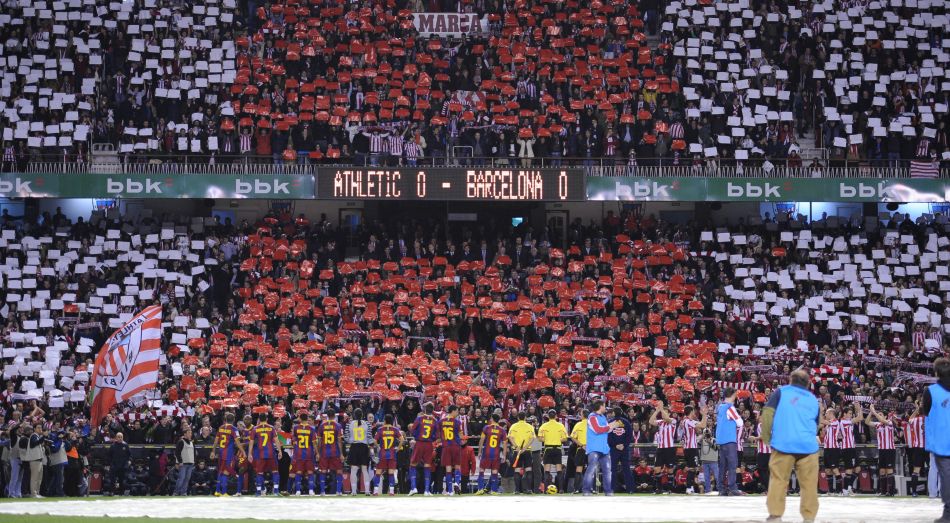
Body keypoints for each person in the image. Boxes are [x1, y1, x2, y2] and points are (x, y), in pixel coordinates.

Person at [761, 369, 820, 523]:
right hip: (809, 447)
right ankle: (809, 518)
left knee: (779, 480)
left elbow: (767, 413)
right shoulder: (814, 399)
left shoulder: (781, 392)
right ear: (808, 384)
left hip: (783, 445)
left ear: (790, 380)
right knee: (809, 485)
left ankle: (775, 515)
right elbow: (816, 424)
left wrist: (767, 438)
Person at [924, 357, 950, 522]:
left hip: (941, 443)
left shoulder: (930, 391)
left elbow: (926, 412)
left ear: (936, 372)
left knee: (946, 477)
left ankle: (948, 513)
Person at [582, 400, 622, 496]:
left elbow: (605, 430)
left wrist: (612, 426)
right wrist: (609, 427)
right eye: (604, 406)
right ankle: (586, 490)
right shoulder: (592, 417)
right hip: (594, 448)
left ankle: (608, 491)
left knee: (607, 471)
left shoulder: (603, 417)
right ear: (600, 406)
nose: (605, 408)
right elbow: (598, 430)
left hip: (604, 448)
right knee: (591, 469)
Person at [715, 387, 744, 496]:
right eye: (735, 394)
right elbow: (740, 423)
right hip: (729, 440)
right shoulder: (730, 408)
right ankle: (732, 488)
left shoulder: (720, 407)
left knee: (723, 465)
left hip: (721, 440)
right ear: (732, 395)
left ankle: (721, 489)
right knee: (732, 465)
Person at [408, 403, 438, 496]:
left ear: (424, 410)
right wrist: (431, 439)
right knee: (427, 465)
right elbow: (437, 435)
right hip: (429, 444)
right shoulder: (434, 420)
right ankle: (427, 490)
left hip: (420, 443)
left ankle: (413, 488)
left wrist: (418, 436)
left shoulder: (419, 418)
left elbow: (412, 430)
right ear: (432, 410)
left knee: (413, 464)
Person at [247, 415, 281, 496]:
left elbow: (251, 442)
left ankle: (258, 492)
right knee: (275, 472)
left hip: (260, 454)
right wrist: (280, 451)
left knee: (259, 473)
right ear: (267, 419)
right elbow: (276, 440)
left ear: (259, 419)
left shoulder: (255, 429)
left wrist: (249, 454)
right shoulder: (271, 428)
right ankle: (276, 491)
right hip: (271, 453)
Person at [212, 413, 244, 496]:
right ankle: (224, 492)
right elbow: (237, 442)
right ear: (234, 420)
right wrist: (243, 451)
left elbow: (216, 441)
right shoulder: (234, 429)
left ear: (225, 419)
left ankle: (217, 491)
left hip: (221, 452)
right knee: (226, 472)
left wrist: (213, 451)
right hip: (228, 454)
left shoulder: (221, 427)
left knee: (220, 471)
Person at [371, 414, 403, 496]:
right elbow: (402, 439)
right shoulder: (395, 429)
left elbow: (374, 440)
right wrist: (398, 448)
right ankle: (392, 491)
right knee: (391, 473)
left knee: (378, 472)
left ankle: (375, 491)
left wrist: (378, 446)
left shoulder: (380, 429)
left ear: (384, 420)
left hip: (382, 453)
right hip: (392, 454)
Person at [475, 413, 507, 495]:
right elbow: (504, 444)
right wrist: (504, 455)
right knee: (495, 472)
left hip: (486, 452)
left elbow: (481, 440)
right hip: (496, 453)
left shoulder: (486, 428)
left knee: (481, 470)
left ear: (492, 419)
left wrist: (479, 452)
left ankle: (480, 489)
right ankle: (494, 490)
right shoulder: (502, 430)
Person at [538, 409, 568, 492]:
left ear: (548, 416)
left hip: (548, 449)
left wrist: (548, 439)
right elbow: (565, 438)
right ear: (556, 416)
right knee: (559, 470)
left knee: (547, 470)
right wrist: (557, 439)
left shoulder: (544, 426)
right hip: (557, 449)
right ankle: (561, 489)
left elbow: (540, 438)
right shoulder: (561, 426)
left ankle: (546, 490)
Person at [437, 405, 465, 496]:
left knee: (448, 468)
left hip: (446, 447)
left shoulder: (441, 421)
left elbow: (439, 435)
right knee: (457, 466)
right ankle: (456, 482)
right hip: (455, 446)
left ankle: (450, 491)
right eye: (457, 411)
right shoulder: (457, 422)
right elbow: (461, 436)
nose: (457, 413)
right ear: (452, 411)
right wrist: (464, 438)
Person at [507, 411, 537, 494]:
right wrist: (525, 448)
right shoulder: (529, 426)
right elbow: (532, 438)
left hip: (517, 451)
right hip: (526, 451)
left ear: (517, 417)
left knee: (517, 470)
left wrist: (516, 447)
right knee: (528, 469)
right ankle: (529, 489)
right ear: (525, 418)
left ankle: (517, 490)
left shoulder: (514, 426)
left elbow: (510, 437)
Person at [317, 409, 344, 496]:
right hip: (335, 451)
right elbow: (340, 441)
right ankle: (339, 491)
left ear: (327, 415)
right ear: (334, 416)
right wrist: (341, 454)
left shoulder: (322, 425)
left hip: (324, 452)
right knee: (339, 471)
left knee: (323, 471)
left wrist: (318, 452)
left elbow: (319, 441)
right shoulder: (338, 425)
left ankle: (322, 492)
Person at [290, 412, 317, 496]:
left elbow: (293, 440)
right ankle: (311, 490)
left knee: (298, 472)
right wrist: (317, 452)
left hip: (299, 453)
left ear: (300, 419)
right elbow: (314, 442)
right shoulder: (311, 429)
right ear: (307, 419)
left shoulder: (295, 428)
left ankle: (298, 491)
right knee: (310, 472)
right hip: (309, 453)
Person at [346, 408, 372, 496]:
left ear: (354, 415)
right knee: (365, 469)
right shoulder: (367, 423)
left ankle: (353, 491)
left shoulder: (349, 424)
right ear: (362, 415)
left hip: (354, 447)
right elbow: (369, 438)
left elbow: (347, 438)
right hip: (364, 447)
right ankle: (367, 491)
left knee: (353, 470)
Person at [567, 410, 588, 494]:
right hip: (591, 450)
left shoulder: (578, 425)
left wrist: (581, 445)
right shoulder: (593, 425)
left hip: (581, 449)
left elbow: (572, 437)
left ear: (582, 415)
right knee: (591, 469)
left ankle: (576, 489)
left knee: (579, 469)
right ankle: (592, 489)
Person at [108, 432, 131, 497]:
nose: (120, 438)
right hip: (114, 466)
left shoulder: (125, 445)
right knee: (112, 480)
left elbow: (129, 455)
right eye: (118, 437)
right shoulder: (112, 446)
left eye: (121, 437)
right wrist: (110, 464)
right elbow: (109, 456)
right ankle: (112, 492)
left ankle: (121, 493)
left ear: (122, 438)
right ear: (116, 437)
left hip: (122, 466)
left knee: (122, 480)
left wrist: (129, 461)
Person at [174, 428, 196, 496]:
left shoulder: (192, 443)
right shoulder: (181, 441)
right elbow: (177, 452)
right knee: (181, 478)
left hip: (190, 463)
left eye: (191, 433)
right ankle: (176, 492)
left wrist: (194, 460)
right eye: (189, 433)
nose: (190, 434)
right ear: (185, 434)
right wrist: (179, 462)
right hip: (183, 464)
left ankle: (184, 492)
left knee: (187, 479)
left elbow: (194, 453)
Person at [699, 429, 719, 494]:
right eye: (705, 433)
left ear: (711, 433)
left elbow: (716, 448)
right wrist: (703, 435)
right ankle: (707, 491)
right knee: (706, 477)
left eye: (708, 433)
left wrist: (709, 442)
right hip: (704, 462)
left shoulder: (715, 439)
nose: (707, 434)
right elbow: (698, 443)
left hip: (714, 461)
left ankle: (720, 489)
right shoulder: (702, 440)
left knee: (717, 476)